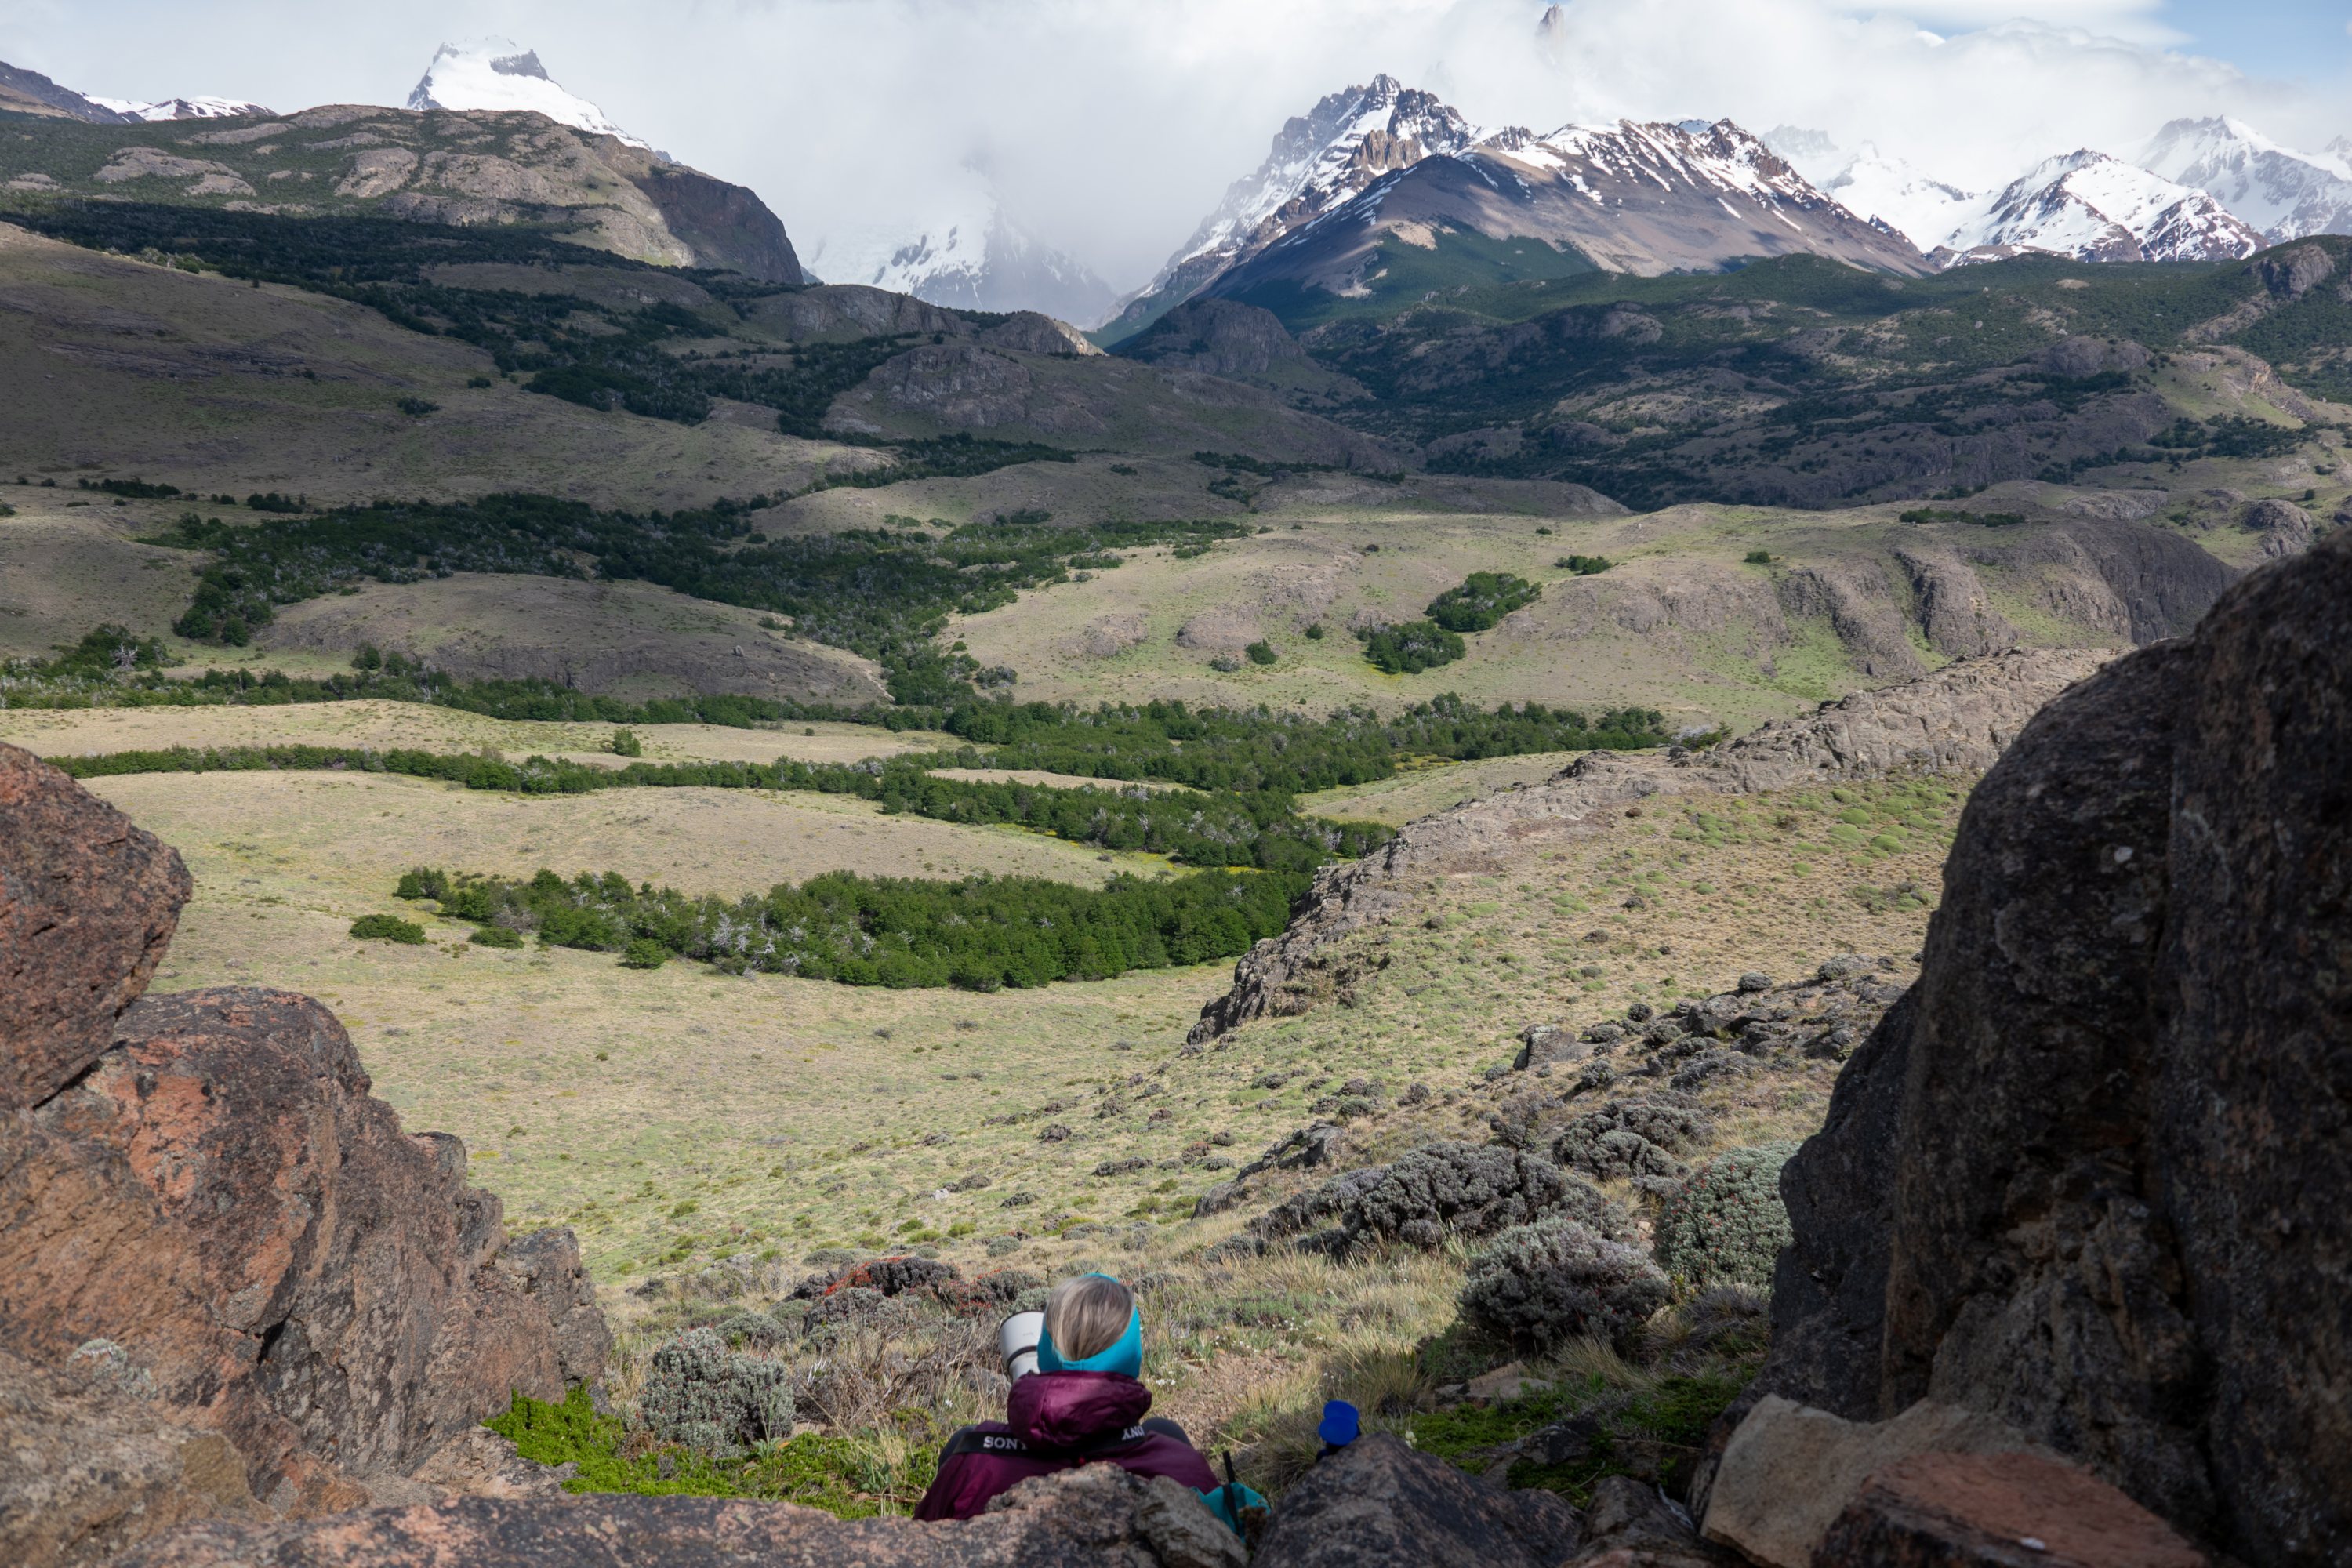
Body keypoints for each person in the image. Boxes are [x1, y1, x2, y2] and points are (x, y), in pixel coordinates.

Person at [914, 1273, 1219, 1521]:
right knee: (1166, 1429)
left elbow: (922, 1544)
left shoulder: (974, 1459)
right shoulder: (1181, 1466)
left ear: (1045, 1351)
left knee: (963, 1439)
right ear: (1132, 1358)